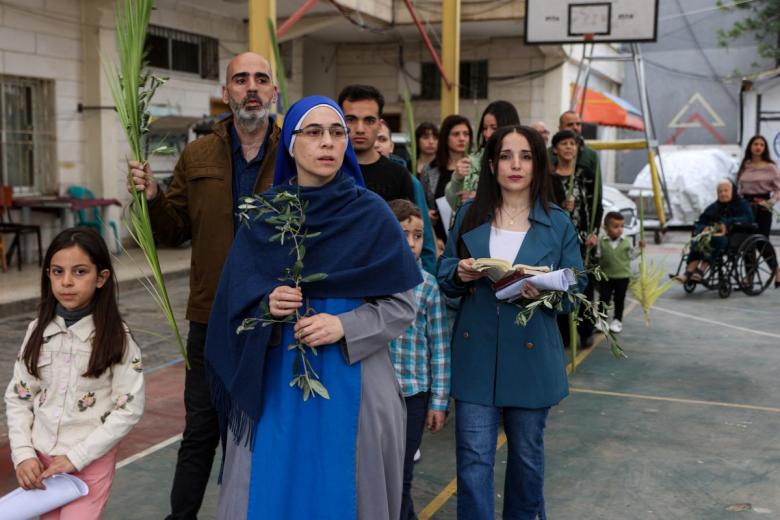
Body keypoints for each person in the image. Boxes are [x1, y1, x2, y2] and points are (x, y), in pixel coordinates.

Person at [205, 96, 421, 520]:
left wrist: (344, 326)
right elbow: (234, 303)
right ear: (291, 142)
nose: (328, 142)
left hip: (353, 375)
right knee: (273, 488)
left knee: (346, 488)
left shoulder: (371, 214)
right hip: (277, 382)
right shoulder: (265, 216)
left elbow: (401, 306)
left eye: (337, 133)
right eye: (314, 132)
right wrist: (267, 302)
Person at [127, 51, 281, 519]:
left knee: (259, 431)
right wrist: (153, 197)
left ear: (274, 91)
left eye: (260, 79)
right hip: (210, 316)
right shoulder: (198, 154)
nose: (251, 87)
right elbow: (173, 230)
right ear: (225, 92)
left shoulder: (294, 152)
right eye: (241, 79)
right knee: (200, 431)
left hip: (274, 318)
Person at [437, 125, 585, 520]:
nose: (515, 165)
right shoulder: (469, 215)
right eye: (505, 156)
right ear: (491, 164)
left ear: (539, 164)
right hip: (476, 355)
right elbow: (444, 271)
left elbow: (577, 287)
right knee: (473, 459)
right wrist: (459, 272)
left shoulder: (558, 222)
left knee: (527, 459)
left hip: (532, 356)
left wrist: (546, 292)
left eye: (525, 156)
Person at [5, 227, 144, 519]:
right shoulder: (36, 331)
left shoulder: (117, 338)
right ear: (48, 275)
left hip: (89, 464)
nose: (66, 282)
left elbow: (129, 408)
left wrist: (77, 457)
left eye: (80, 272)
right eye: (58, 272)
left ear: (101, 278)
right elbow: (19, 397)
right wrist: (24, 454)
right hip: (41, 464)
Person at [387, 199, 451, 520]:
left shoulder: (427, 286)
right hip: (377, 395)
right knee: (378, 471)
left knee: (402, 474)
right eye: (403, 235)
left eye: (418, 235)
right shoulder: (371, 283)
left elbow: (439, 347)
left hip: (414, 395)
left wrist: (438, 401)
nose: (412, 244)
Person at [549, 129, 602, 347]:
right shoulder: (549, 177)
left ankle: (586, 328)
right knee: (562, 283)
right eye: (564, 144)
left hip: (583, 238)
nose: (569, 147)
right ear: (555, 149)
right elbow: (545, 204)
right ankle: (564, 333)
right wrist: (561, 205)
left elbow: (597, 203)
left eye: (572, 144)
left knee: (584, 283)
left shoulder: (586, 173)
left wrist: (594, 232)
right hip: (559, 239)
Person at [376, 120, 438, 274]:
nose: (376, 145)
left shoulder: (408, 181)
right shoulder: (350, 179)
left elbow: (425, 236)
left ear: (391, 146)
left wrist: (427, 277)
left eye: (382, 139)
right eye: (374, 139)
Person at [338, 84, 415, 203]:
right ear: (339, 122)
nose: (360, 129)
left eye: (369, 120)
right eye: (351, 120)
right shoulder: (327, 169)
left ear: (380, 125)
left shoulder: (399, 175)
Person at [446, 101, 521, 213]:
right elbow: (454, 204)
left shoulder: (522, 162)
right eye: (485, 128)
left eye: (494, 128)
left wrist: (481, 199)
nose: (487, 134)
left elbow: (524, 199)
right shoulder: (473, 162)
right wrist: (457, 179)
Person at [677, 180, 753, 283]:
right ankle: (688, 272)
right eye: (720, 192)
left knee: (716, 241)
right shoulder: (714, 206)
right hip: (712, 235)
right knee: (699, 240)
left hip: (735, 236)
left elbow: (748, 218)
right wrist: (703, 228)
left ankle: (701, 271)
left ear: (733, 191)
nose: (723, 194)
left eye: (726, 190)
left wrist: (727, 222)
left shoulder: (742, 204)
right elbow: (701, 221)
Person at [421, 115, 473, 241]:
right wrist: (427, 214)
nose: (462, 138)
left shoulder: (476, 167)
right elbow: (422, 202)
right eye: (456, 134)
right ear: (445, 137)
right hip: (439, 238)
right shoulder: (430, 169)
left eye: (466, 134)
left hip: (469, 234)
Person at [736, 134, 780, 285]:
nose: (758, 147)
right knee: (747, 242)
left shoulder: (770, 167)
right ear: (750, 146)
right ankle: (749, 276)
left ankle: (777, 270)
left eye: (762, 144)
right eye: (755, 144)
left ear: (765, 148)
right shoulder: (745, 165)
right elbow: (739, 187)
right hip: (745, 207)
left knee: (761, 241)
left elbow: (779, 189)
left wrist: (770, 202)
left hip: (762, 208)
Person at [598, 212, 645, 334]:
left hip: (622, 277)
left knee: (619, 299)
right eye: (615, 226)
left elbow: (631, 255)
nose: (620, 229)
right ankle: (601, 319)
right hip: (606, 276)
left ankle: (617, 320)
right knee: (604, 298)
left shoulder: (627, 241)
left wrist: (640, 248)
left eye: (622, 226)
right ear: (606, 228)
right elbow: (598, 256)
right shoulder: (602, 241)